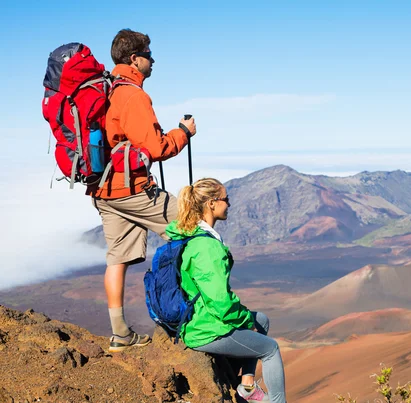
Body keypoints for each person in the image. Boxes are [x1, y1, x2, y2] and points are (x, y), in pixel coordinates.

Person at [88, 29, 197, 352]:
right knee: (193, 227)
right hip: (132, 189)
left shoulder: (106, 90)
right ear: (135, 59)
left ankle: (120, 334)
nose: (153, 60)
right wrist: (184, 133)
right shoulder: (133, 95)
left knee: (117, 259)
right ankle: (196, 315)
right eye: (149, 55)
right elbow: (157, 147)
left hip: (103, 190)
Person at [165, 178, 286, 403]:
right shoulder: (207, 247)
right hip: (205, 329)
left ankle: (247, 388)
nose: (229, 204)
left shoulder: (192, 236)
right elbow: (220, 301)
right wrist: (243, 319)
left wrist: (248, 318)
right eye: (225, 199)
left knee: (262, 321)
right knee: (270, 349)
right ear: (212, 203)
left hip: (197, 318)